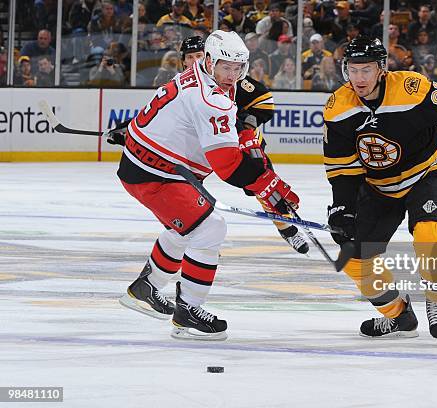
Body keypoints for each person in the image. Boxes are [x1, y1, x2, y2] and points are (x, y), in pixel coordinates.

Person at [323, 36, 437, 339]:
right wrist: (343, 208)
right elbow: (343, 169)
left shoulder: (411, 89)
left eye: (366, 70)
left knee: (429, 232)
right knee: (352, 257)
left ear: (382, 68)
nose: (359, 78)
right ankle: (399, 316)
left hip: (428, 176)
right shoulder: (338, 109)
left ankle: (436, 299)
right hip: (379, 188)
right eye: (353, 70)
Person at [117, 30, 300, 340]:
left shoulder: (199, 76)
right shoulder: (210, 98)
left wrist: (242, 138)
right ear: (210, 60)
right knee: (209, 228)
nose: (232, 75)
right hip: (159, 175)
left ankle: (144, 288)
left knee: (184, 228)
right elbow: (228, 166)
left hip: (147, 167)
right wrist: (267, 185)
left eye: (238, 68)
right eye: (226, 67)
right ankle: (188, 311)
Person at [179, 35, 309, 254]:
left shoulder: (232, 77)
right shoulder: (185, 85)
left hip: (243, 145)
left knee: (263, 187)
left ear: (209, 58)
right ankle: (203, 236)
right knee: (185, 189)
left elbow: (264, 101)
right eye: (189, 57)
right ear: (183, 61)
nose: (194, 61)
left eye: (198, 56)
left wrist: (247, 124)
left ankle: (287, 228)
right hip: (204, 150)